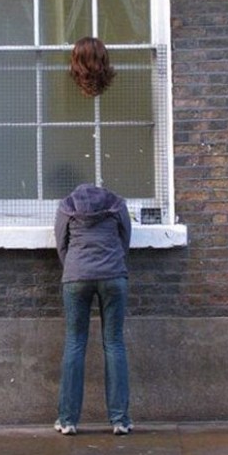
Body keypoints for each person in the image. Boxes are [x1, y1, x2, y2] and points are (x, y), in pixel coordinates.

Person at [54, 183, 133, 436]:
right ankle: (120, 420)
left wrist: (76, 267)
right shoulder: (117, 204)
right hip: (113, 276)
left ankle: (68, 421)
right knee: (114, 343)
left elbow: (61, 243)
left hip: (76, 276)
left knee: (75, 343)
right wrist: (111, 263)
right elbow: (125, 240)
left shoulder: (67, 206)